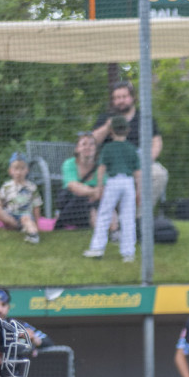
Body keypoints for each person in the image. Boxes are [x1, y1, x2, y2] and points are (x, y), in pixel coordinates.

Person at [90, 80, 166, 210]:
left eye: (124, 97)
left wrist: (148, 159)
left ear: (132, 97)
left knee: (159, 174)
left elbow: (157, 141)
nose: (121, 101)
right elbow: (93, 140)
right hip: (112, 165)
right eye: (117, 98)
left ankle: (140, 216)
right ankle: (118, 219)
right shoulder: (106, 117)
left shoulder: (145, 117)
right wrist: (108, 126)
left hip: (138, 161)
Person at [84, 115, 138, 261]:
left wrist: (100, 186)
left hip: (113, 182)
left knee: (104, 214)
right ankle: (128, 253)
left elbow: (101, 168)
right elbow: (137, 172)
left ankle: (97, 248)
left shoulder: (108, 148)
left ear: (111, 131)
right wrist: (138, 189)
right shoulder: (132, 148)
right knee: (128, 217)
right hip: (128, 182)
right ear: (127, 130)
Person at [0, 155, 41, 244]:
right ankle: (17, 227)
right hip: (10, 214)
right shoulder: (6, 186)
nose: (19, 172)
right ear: (10, 171)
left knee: (26, 219)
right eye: (16, 169)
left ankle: (33, 235)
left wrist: (37, 224)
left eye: (22, 169)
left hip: (25, 214)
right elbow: (0, 202)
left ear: (27, 170)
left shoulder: (31, 187)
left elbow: (36, 205)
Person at [55, 131, 101, 230]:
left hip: (95, 201)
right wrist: (93, 192)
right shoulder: (69, 164)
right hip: (73, 205)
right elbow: (73, 186)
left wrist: (96, 193)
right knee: (86, 200)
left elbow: (105, 187)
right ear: (77, 149)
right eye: (84, 144)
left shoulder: (101, 166)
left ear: (96, 148)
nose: (88, 147)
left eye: (91, 144)